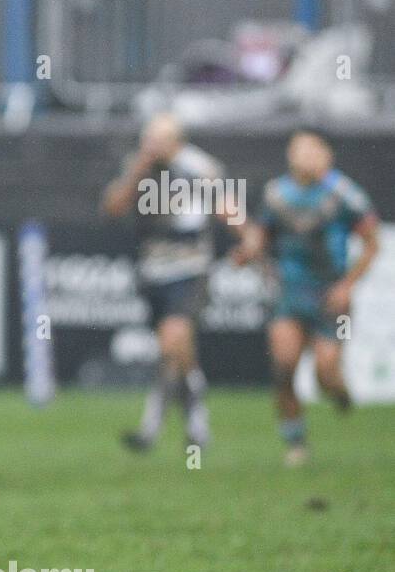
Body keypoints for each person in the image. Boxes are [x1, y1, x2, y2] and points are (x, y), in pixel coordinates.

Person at [232, 130, 380, 467]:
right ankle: (296, 443)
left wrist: (347, 285)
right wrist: (246, 252)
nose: (307, 157)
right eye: (301, 151)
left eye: (314, 150)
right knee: (283, 366)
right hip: (290, 294)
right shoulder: (276, 195)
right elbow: (261, 238)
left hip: (331, 298)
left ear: (327, 156)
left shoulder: (344, 195)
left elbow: (373, 243)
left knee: (325, 372)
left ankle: (339, 393)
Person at [102, 113, 233, 453]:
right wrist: (137, 170)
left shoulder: (200, 167)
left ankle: (152, 426)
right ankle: (195, 421)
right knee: (177, 352)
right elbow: (113, 207)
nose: (152, 145)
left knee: (173, 341)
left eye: (159, 139)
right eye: (149, 138)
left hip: (190, 269)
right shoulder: (139, 167)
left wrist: (249, 240)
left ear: (177, 140)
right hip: (153, 270)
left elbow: (227, 208)